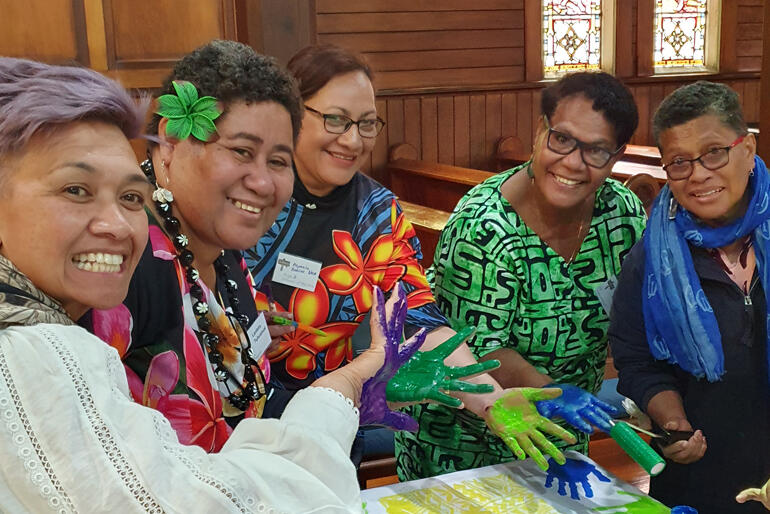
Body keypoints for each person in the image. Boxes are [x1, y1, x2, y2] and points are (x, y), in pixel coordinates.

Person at [0, 56, 390, 512]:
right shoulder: (110, 286)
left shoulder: (225, 257)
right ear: (168, 142)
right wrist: (342, 389)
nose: (262, 181)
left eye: (279, 161)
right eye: (76, 191)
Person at [244, 44, 575, 472]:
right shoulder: (249, 192)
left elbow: (418, 316)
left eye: (366, 124)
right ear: (290, 114)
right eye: (335, 119)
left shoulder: (375, 213)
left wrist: (491, 400)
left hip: (328, 421)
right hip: (230, 419)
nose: (353, 139)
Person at [396, 71, 647, 480]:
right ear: (539, 131)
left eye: (596, 150)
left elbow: (636, 316)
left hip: (562, 431)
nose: (572, 162)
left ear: (616, 156)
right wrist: (551, 390)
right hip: (464, 441)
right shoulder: (483, 227)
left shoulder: (620, 216)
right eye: (562, 139)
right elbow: (472, 348)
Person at [609, 81, 770, 513]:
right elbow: (637, 361)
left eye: (714, 152)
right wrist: (672, 422)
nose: (698, 174)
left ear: (748, 150)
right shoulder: (650, 258)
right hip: (703, 478)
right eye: (679, 162)